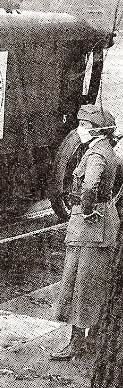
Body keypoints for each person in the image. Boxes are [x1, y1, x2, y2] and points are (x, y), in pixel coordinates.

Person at [51, 105, 121, 360]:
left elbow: (90, 185)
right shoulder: (105, 150)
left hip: (91, 226)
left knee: (82, 284)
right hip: (97, 227)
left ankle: (77, 342)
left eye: (84, 125)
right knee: (91, 283)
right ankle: (90, 338)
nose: (80, 129)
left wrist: (88, 209)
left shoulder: (96, 155)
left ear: (95, 129)